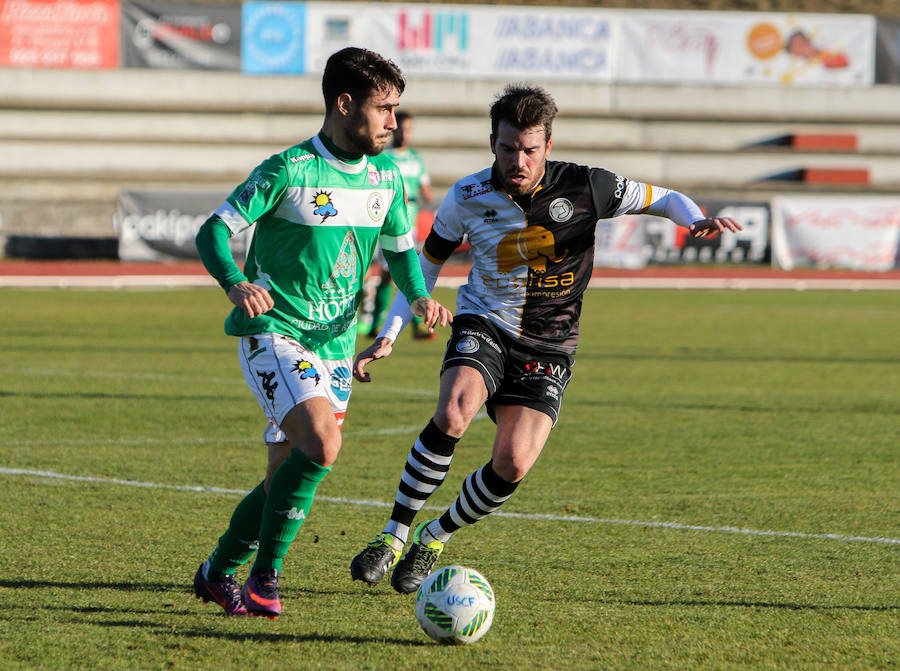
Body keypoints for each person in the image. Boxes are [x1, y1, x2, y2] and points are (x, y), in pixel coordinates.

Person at [349, 84, 742, 594]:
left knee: (512, 462)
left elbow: (663, 198)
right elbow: (424, 265)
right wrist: (390, 332)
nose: (518, 160)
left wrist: (695, 219)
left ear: (548, 146)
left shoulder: (588, 186)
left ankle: (434, 536)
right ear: (493, 142)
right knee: (453, 411)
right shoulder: (467, 196)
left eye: (530, 150)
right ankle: (393, 535)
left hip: (550, 342)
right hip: (485, 321)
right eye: (508, 148)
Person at [191, 46, 451, 618]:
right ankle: (265, 578)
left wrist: (419, 296)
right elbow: (213, 232)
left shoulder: (386, 176)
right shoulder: (288, 169)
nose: (393, 122)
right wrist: (235, 283)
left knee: (288, 475)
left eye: (397, 110)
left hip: (336, 345)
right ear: (344, 103)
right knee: (323, 446)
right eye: (384, 109)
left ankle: (218, 571)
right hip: (275, 332)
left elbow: (402, 254)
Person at [362, 110, 436, 340]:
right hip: (388, 224)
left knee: (410, 272)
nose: (405, 133)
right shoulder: (385, 158)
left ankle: (415, 325)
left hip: (410, 225)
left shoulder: (415, 159)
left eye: (409, 129)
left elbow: (427, 192)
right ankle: (375, 323)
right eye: (402, 128)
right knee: (388, 273)